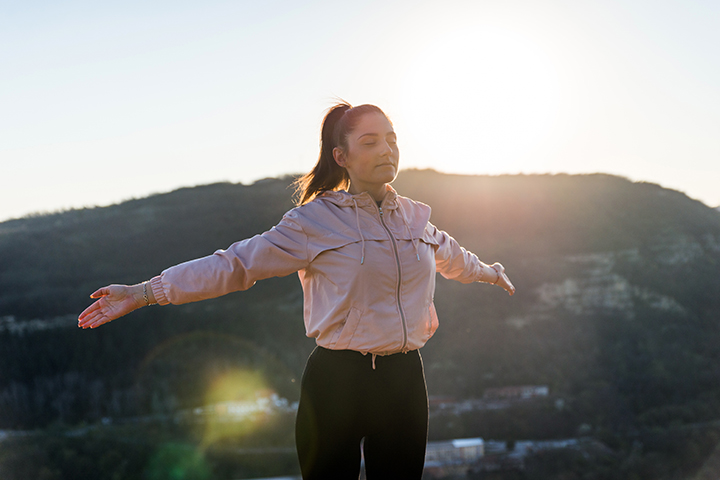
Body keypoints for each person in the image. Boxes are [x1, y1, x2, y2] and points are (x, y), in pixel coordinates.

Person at [78, 102, 516, 479]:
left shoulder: (415, 221)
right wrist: (146, 292)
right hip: (337, 381)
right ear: (340, 155)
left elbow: (456, 258)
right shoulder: (315, 222)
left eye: (391, 138)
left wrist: (491, 272)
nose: (386, 149)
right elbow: (235, 264)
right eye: (370, 142)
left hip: (404, 381)